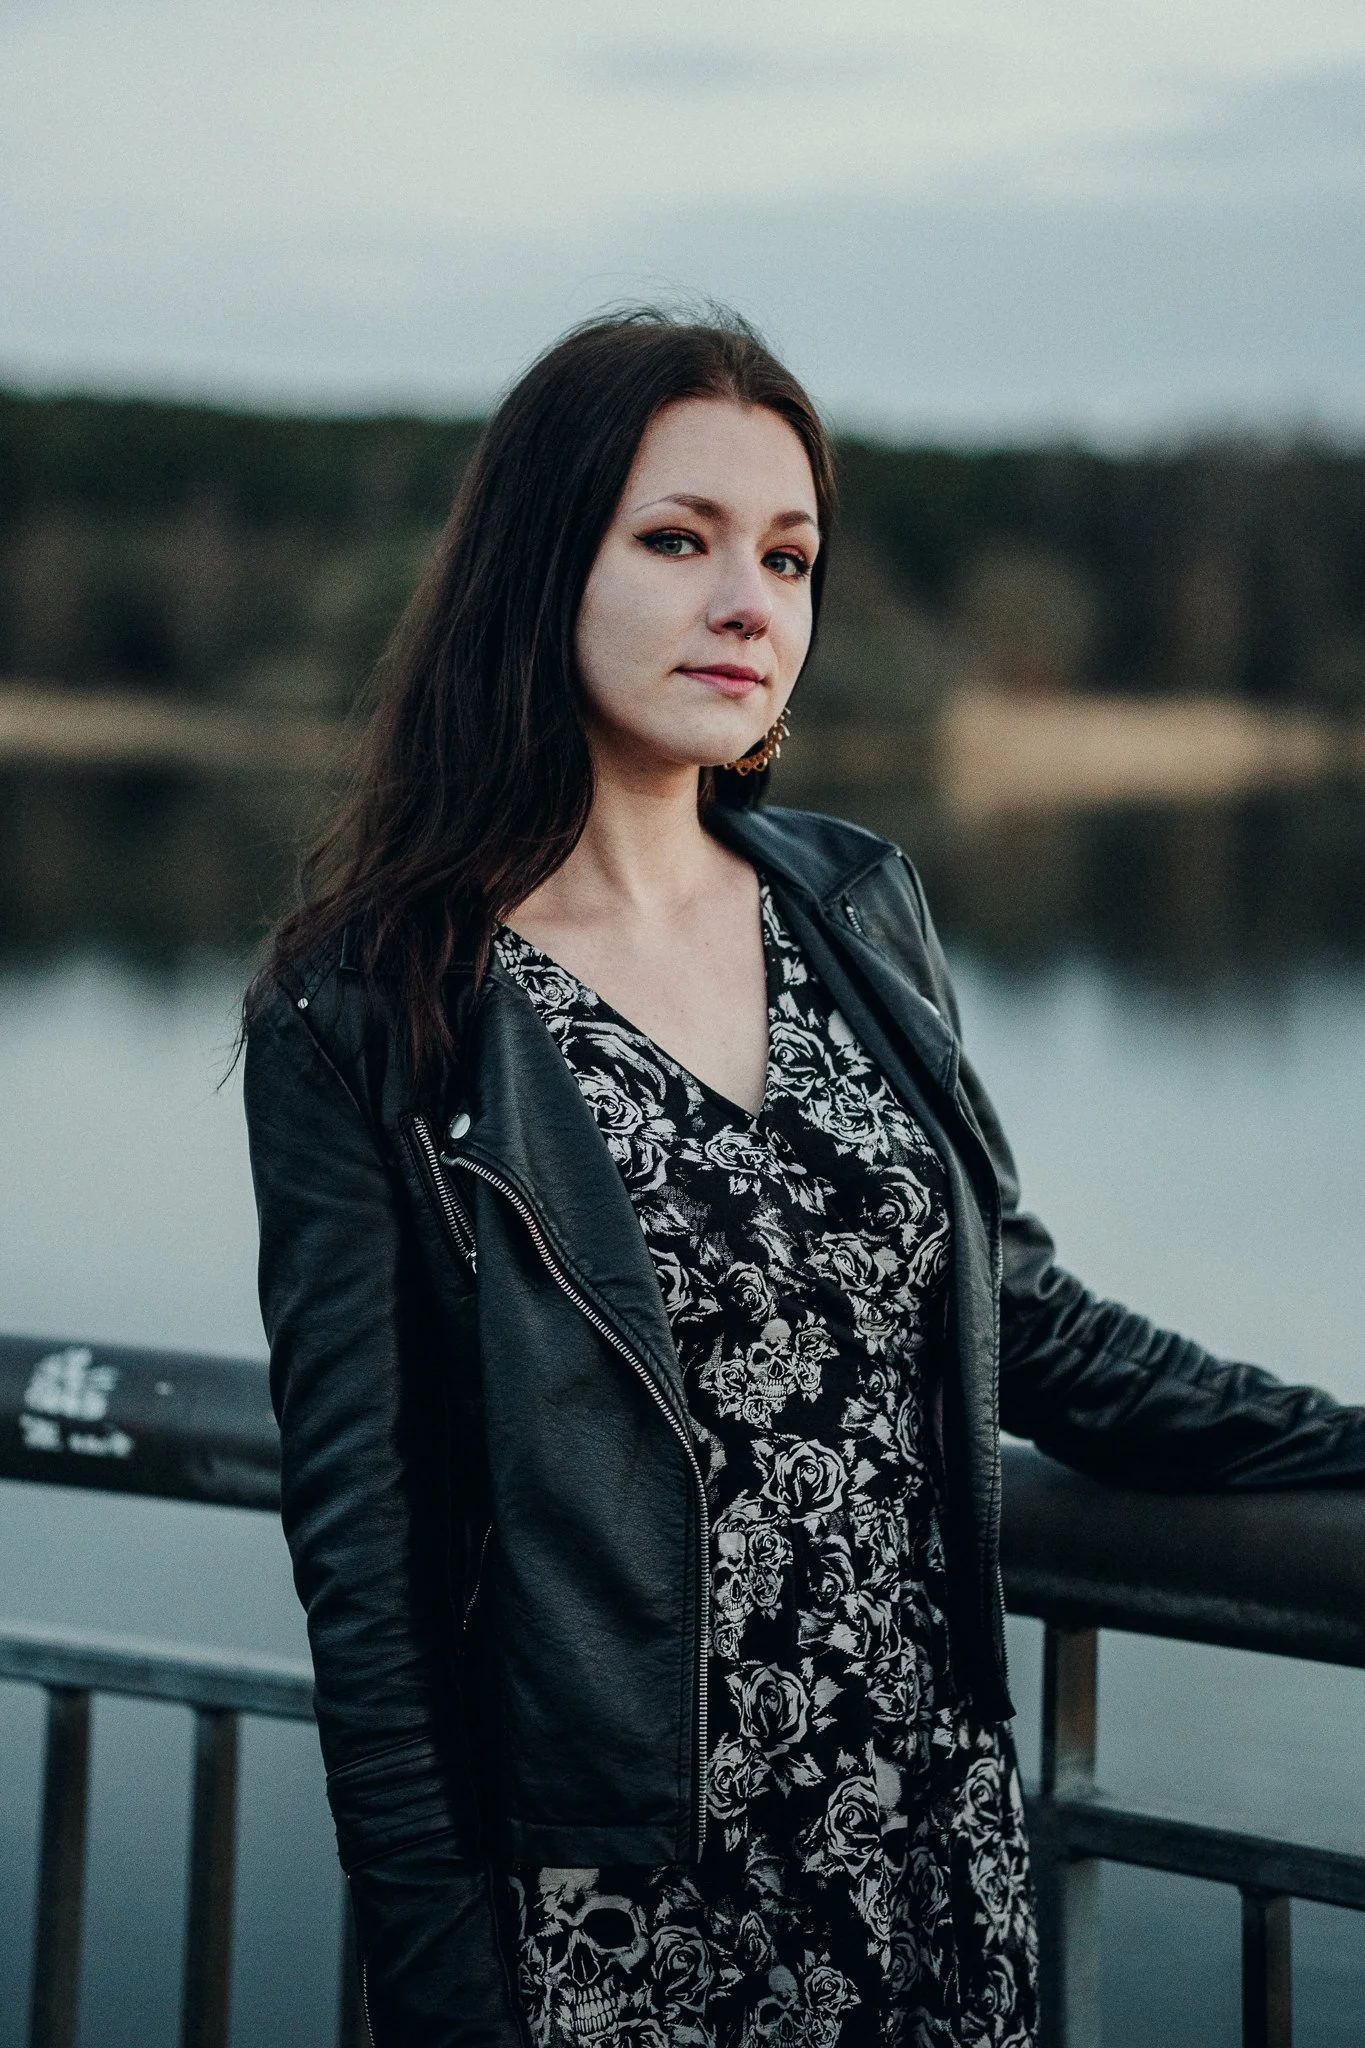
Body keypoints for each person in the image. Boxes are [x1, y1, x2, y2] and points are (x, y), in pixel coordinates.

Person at [243, 310, 1365, 2048]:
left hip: (917, 1843)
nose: (751, 604)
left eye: (788, 556)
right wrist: (447, 1989)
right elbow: (371, 1585)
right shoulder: (373, 1008)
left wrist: (1339, 1435)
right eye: (677, 542)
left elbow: (1023, 1318)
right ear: (545, 567)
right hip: (611, 1908)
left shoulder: (850, 909)